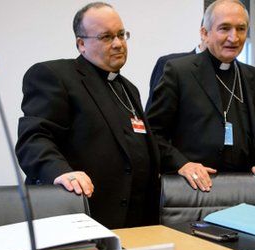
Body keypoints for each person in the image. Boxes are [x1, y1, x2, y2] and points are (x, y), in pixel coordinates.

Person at [16, 2, 160, 229]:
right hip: (83, 215)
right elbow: (34, 139)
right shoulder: (55, 76)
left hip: (136, 221)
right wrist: (61, 172)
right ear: (81, 44)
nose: (118, 44)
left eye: (121, 35)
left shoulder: (128, 88)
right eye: (106, 37)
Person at [147, 0, 255, 192]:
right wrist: (182, 164)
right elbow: (154, 133)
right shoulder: (179, 71)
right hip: (193, 190)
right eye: (224, 28)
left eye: (241, 29)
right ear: (205, 33)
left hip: (247, 187)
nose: (233, 38)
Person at [145, 39, 206, 112]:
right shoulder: (169, 63)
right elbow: (154, 114)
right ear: (204, 33)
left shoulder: (222, 67)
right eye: (222, 29)